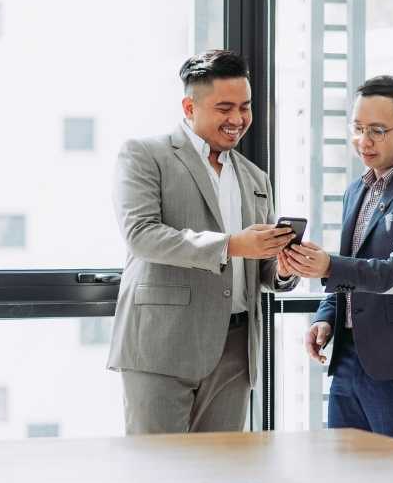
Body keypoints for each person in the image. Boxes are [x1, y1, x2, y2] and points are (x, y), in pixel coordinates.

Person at [108, 50, 299, 434]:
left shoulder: (256, 178)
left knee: (221, 475)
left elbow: (257, 266)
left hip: (236, 350)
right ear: (189, 106)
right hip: (162, 343)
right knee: (158, 472)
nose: (238, 119)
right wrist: (231, 245)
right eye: (224, 107)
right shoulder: (145, 155)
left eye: (244, 107)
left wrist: (282, 266)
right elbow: (142, 235)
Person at [281, 75, 393, 441]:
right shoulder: (357, 190)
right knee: (346, 481)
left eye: (376, 130)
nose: (364, 141)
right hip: (347, 362)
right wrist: (327, 318)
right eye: (357, 128)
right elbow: (351, 267)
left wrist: (328, 265)